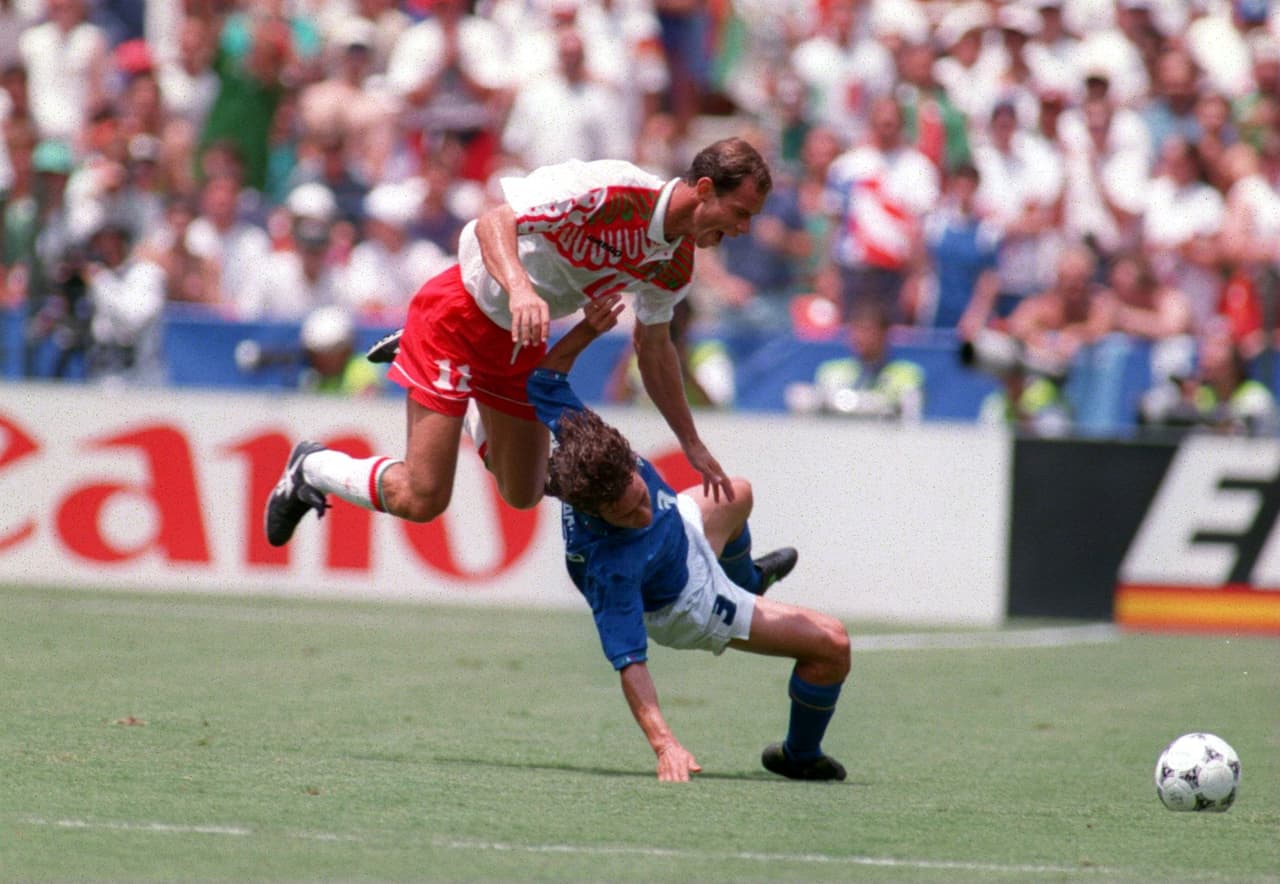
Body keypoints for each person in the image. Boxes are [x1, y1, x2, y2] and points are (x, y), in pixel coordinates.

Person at [264, 137, 771, 547]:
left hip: (522, 339)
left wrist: (691, 442)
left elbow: (654, 350)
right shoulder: (615, 189)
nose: (744, 229)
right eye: (741, 212)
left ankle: (454, 389)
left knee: (523, 492)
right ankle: (312, 467)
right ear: (705, 188)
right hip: (460, 316)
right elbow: (495, 222)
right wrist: (521, 289)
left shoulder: (676, 264)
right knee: (423, 498)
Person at [532, 292, 850, 782]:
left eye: (640, 494)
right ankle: (800, 754)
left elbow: (544, 381)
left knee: (736, 493)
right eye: (626, 514)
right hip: (688, 601)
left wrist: (588, 330)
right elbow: (631, 666)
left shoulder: (591, 446)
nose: (642, 512)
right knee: (832, 644)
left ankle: (748, 581)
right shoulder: (609, 570)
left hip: (680, 531)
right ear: (596, 511)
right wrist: (666, 745)